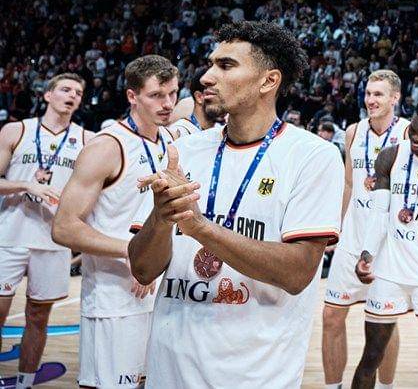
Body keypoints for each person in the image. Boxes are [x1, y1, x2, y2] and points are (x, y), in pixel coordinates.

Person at [128, 21, 343, 387]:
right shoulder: (185, 151)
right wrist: (161, 218)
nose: (206, 77)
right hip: (169, 374)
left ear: (268, 81)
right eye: (211, 64)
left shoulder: (312, 156)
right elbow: (143, 270)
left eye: (226, 66)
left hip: (254, 377)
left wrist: (200, 228)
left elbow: (297, 273)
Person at [51, 56, 178, 388]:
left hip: (161, 292)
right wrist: (134, 252)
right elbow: (64, 227)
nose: (167, 104)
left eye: (172, 94)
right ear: (132, 96)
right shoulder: (107, 146)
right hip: (114, 298)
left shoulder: (170, 141)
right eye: (156, 95)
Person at [351, 115, 418, 388]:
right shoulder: (390, 156)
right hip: (390, 269)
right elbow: (379, 212)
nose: (415, 136)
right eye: (413, 129)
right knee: (371, 355)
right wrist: (367, 254)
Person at [0, 73, 91, 389]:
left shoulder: (87, 140)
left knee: (38, 318)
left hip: (53, 239)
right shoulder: (17, 130)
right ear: (48, 95)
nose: (72, 95)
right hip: (9, 234)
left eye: (78, 92)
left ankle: (24, 383)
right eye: (65, 89)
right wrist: (27, 185)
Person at [323, 70, 408, 389]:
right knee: (331, 316)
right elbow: (349, 183)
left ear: (395, 98)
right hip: (352, 238)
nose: (371, 100)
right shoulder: (353, 132)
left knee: (382, 324)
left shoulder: (408, 133)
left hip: (386, 244)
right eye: (368, 93)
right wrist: (336, 227)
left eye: (378, 94)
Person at [168, 67, 223, 138]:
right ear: (199, 97)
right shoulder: (180, 133)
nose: (224, 102)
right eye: (216, 95)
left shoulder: (220, 131)